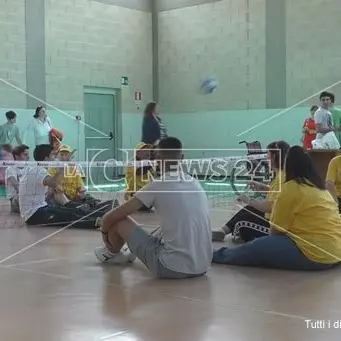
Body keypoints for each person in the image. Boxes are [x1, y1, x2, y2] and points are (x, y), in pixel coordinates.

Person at [94, 137, 213, 279]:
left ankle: (111, 254)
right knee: (161, 231)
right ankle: (131, 250)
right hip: (204, 266)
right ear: (181, 157)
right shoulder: (195, 183)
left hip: (170, 268)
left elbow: (111, 216)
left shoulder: (158, 184)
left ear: (157, 158)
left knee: (119, 221)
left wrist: (104, 233)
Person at [212, 146, 341, 271]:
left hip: (316, 255)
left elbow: (275, 231)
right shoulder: (320, 188)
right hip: (335, 252)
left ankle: (215, 255)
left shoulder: (291, 187)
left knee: (256, 247)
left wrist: (270, 245)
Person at [212, 141, 290, 242]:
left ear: (274, 157)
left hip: (276, 227)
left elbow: (269, 207)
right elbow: (278, 195)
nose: (266, 159)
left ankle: (237, 233)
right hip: (279, 219)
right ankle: (223, 231)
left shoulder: (281, 177)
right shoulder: (283, 174)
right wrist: (263, 187)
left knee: (244, 221)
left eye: (268, 155)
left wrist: (248, 200)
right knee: (249, 209)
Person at [18, 144, 110, 228]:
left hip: (42, 207)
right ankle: (99, 222)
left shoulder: (36, 168)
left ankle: (106, 216)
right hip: (33, 215)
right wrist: (63, 165)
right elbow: (54, 183)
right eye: (53, 155)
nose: (54, 158)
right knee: (68, 217)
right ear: (46, 158)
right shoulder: (38, 170)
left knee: (72, 211)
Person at [48, 144, 114, 209]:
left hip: (74, 198)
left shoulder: (74, 168)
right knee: (57, 194)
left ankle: (99, 206)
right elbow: (53, 188)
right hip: (61, 197)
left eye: (66, 155)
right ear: (58, 156)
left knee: (91, 199)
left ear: (71, 157)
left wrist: (84, 197)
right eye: (62, 154)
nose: (64, 157)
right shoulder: (53, 167)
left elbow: (81, 188)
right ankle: (74, 207)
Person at [124, 142, 154, 211]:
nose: (148, 152)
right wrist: (153, 163)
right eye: (145, 151)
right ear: (138, 153)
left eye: (149, 151)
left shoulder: (149, 163)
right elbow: (139, 171)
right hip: (133, 193)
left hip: (144, 191)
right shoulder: (132, 163)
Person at [5, 144, 29, 213]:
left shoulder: (29, 168)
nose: (28, 157)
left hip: (27, 196)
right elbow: (17, 187)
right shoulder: (10, 169)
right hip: (15, 199)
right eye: (25, 154)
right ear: (17, 156)